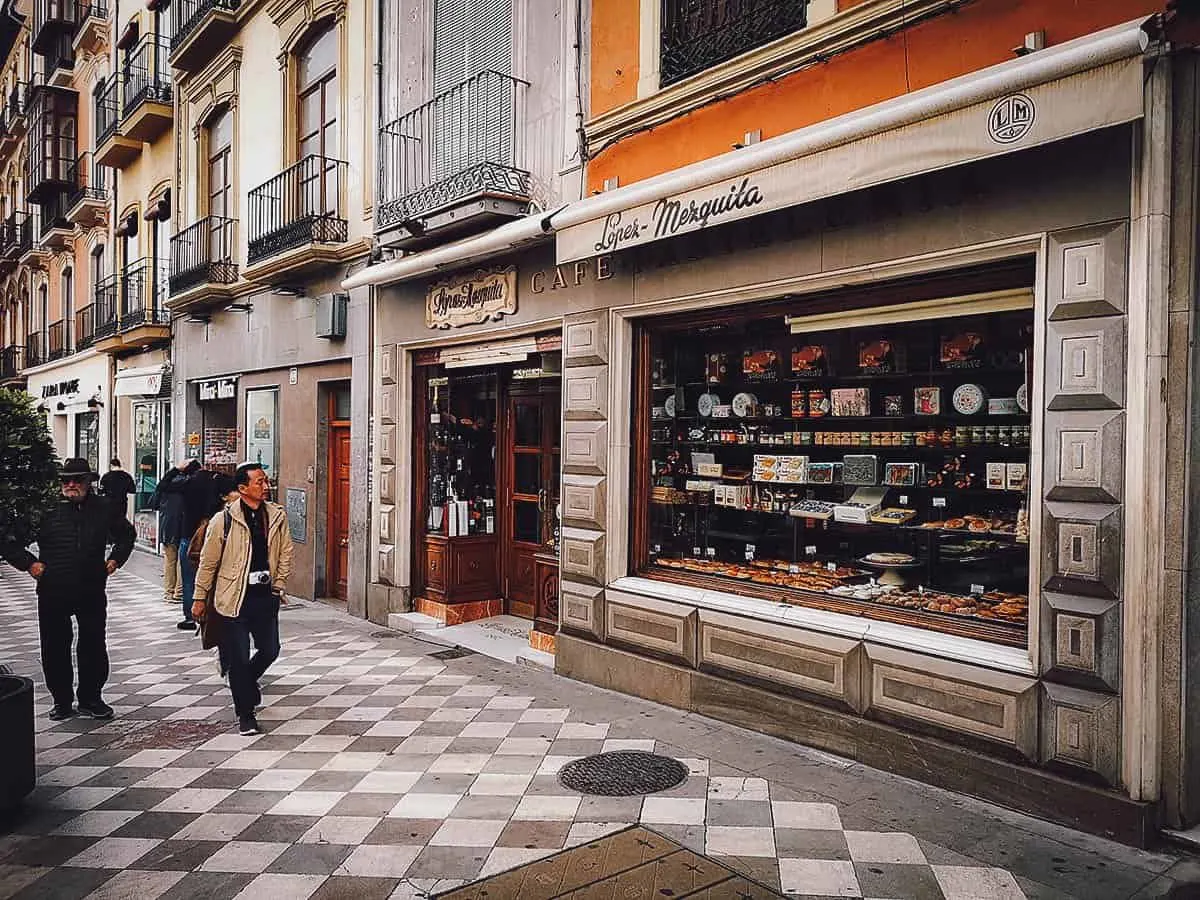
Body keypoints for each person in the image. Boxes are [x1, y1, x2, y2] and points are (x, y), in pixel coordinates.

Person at [1, 458, 136, 720]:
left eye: (77, 480)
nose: (71, 484)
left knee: (94, 644)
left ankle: (91, 698)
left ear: (89, 482)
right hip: (54, 588)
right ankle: (61, 701)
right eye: (65, 480)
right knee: (54, 647)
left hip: (91, 588)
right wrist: (29, 563)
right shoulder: (45, 509)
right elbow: (9, 540)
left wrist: (116, 559)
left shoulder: (104, 507)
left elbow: (126, 535)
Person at [192, 462, 293, 736]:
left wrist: (279, 584)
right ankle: (246, 715)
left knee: (270, 649)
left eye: (266, 481)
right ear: (242, 488)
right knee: (238, 657)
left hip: (265, 595)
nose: (265, 486)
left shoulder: (276, 516)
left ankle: (245, 683)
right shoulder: (222, 520)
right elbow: (208, 562)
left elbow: (285, 552)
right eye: (259, 482)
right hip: (232, 597)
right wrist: (199, 597)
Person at [158, 458, 223, 630]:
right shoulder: (216, 479)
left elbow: (162, 486)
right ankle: (216, 613)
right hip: (214, 536)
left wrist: (175, 470)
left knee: (189, 579)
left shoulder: (187, 483)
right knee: (215, 575)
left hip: (190, 536)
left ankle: (191, 617)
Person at [152, 459, 189, 610]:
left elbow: (154, 503)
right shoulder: (187, 485)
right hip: (182, 525)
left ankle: (168, 592)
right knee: (182, 560)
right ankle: (179, 593)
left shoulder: (165, 485)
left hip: (167, 526)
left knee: (169, 560)